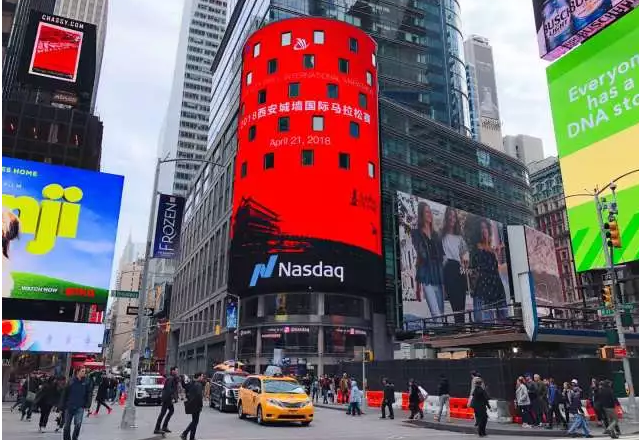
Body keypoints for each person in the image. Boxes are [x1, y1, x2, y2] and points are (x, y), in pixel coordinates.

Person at [411, 202, 445, 320]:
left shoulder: (437, 235)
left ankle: (442, 337)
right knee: (436, 315)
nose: (430, 214)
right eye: (427, 211)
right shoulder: (416, 233)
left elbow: (442, 256)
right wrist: (417, 286)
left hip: (438, 276)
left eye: (430, 211)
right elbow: (421, 255)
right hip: (426, 276)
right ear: (421, 214)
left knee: (442, 313)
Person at [470, 219, 507, 323]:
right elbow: (475, 271)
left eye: (485, 228)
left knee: (505, 322)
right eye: (481, 228)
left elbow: (497, 267)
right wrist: (474, 290)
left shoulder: (492, 249)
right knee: (487, 324)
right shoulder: (476, 249)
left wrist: (498, 253)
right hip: (484, 289)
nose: (484, 230)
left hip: (497, 286)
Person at [441, 207, 469, 324]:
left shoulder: (460, 237)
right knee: (455, 306)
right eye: (450, 216)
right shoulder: (441, 236)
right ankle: (459, 328)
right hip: (448, 270)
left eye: (454, 216)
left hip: (459, 269)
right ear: (447, 217)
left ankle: (461, 329)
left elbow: (465, 254)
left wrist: (465, 263)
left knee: (461, 306)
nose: (452, 218)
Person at [60, 367, 92, 440]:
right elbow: (64, 394)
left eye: (84, 371)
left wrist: (88, 405)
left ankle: (75, 437)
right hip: (69, 406)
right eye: (82, 371)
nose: (84, 373)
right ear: (77, 372)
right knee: (66, 426)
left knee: (78, 424)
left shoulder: (86, 382)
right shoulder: (71, 381)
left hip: (80, 407)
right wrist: (62, 405)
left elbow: (89, 393)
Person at [154, 366, 180, 435]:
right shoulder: (170, 378)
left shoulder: (173, 378)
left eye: (177, 370)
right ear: (172, 371)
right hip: (167, 398)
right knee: (163, 413)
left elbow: (174, 389)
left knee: (171, 411)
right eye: (176, 370)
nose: (177, 372)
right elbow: (169, 390)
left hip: (168, 398)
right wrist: (173, 398)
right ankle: (157, 428)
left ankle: (164, 426)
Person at [181, 372, 204, 440]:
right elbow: (199, 396)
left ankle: (189, 436)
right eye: (202, 376)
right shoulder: (199, 385)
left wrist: (183, 380)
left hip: (191, 404)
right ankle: (185, 434)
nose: (202, 378)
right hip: (196, 405)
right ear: (199, 377)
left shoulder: (191, 383)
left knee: (194, 421)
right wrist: (201, 405)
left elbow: (185, 386)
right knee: (195, 422)